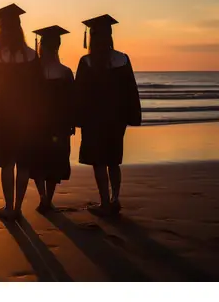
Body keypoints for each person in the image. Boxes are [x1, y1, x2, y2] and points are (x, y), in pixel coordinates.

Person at [75, 14, 141, 216]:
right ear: (110, 36)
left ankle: (104, 201)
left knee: (99, 161)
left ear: (92, 38)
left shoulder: (87, 62)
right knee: (113, 159)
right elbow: (131, 90)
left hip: (94, 120)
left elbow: (80, 93)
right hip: (116, 119)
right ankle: (115, 198)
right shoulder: (122, 59)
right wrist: (132, 116)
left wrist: (76, 118)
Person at [0, 3, 44, 220]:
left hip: (2, 118)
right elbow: (39, 90)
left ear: (0, 30)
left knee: (7, 163)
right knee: (24, 163)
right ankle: (18, 207)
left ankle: (9, 206)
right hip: (26, 117)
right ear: (20, 29)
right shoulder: (31, 56)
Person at [30, 25, 75, 213]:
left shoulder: (33, 72)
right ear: (57, 47)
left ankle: (42, 198)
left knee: (38, 161)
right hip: (58, 125)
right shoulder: (65, 72)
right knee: (54, 161)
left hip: (38, 124)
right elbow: (72, 102)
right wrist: (71, 123)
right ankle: (48, 198)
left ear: (41, 46)